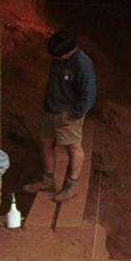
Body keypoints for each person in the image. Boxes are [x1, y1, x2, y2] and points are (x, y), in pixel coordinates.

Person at [23, 30, 97, 203]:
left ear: (70, 50)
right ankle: (48, 180)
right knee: (45, 142)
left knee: (73, 148)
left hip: (68, 112)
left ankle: (71, 187)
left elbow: (89, 95)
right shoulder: (58, 58)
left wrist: (74, 114)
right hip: (50, 109)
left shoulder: (82, 63)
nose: (55, 58)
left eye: (59, 56)